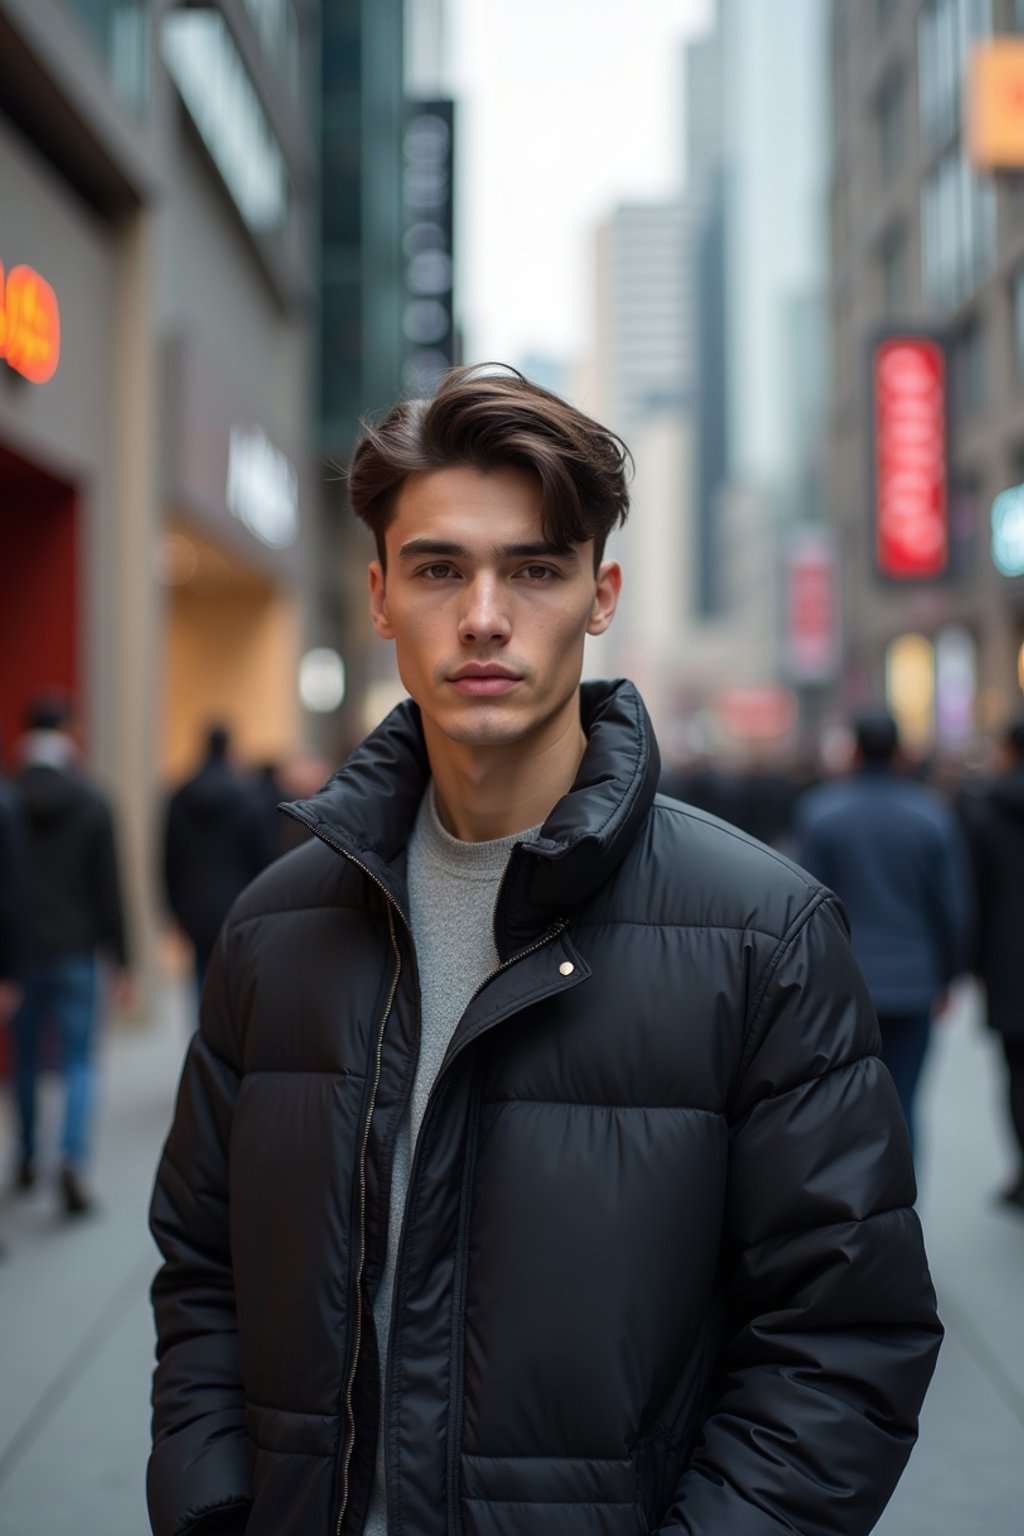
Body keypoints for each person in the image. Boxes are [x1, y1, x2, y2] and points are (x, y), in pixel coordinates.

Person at [148, 368, 941, 1536]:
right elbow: (203, 1274)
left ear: (599, 592)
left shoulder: (763, 936)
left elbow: (842, 1337)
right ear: (376, 596)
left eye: (532, 568)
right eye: (436, 568)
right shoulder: (273, 932)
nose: (481, 614)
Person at [797, 711, 973, 1159]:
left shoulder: (821, 813)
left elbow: (804, 905)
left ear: (853, 750)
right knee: (905, 1100)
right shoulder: (931, 814)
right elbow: (952, 908)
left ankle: (855, 1207)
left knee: (845, 1103)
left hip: (844, 982)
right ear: (901, 753)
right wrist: (949, 976)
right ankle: (907, 1206)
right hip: (914, 978)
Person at [11, 696, 131, 1215]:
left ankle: (27, 1157)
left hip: (16, 952)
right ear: (70, 733)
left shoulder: (8, 796)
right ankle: (72, 1160)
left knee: (27, 1059)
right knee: (80, 1058)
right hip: (77, 949)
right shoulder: (92, 800)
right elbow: (109, 887)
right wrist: (123, 960)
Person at [162, 724, 276, 995]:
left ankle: (203, 1032)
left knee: (200, 978)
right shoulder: (248, 798)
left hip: (192, 904)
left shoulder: (180, 797)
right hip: (238, 900)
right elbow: (261, 856)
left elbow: (168, 858)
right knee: (233, 981)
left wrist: (171, 909)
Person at [964, 711, 1024, 1211]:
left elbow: (973, 896)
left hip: (1010, 963)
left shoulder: (987, 813)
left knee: (1018, 1073)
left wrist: (973, 964)